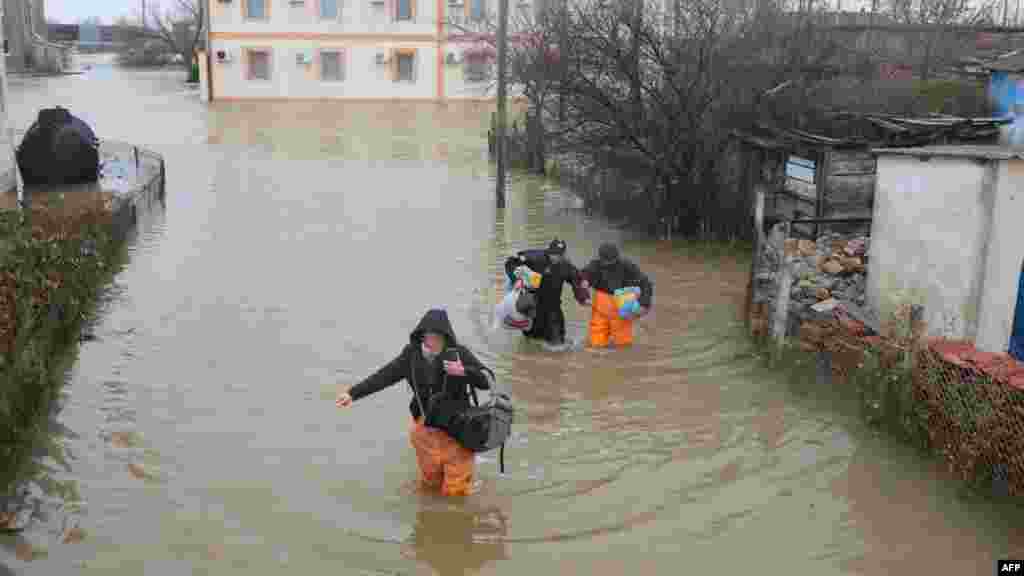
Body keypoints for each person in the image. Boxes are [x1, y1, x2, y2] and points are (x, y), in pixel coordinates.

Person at [335, 309, 492, 497]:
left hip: (458, 434)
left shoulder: (459, 353)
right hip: (425, 432)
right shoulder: (411, 355)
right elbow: (385, 376)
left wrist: (464, 371)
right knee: (429, 487)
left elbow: (485, 382)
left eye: (437, 337)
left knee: (455, 495)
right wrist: (353, 394)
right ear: (421, 335)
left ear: (446, 336)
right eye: (428, 336)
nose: (432, 341)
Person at [503, 238, 588, 346]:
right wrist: (517, 279)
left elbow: (577, 280)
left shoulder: (566, 265)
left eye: (560, 255)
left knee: (558, 344)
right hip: (532, 304)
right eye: (554, 254)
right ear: (549, 251)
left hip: (553, 307)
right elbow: (510, 262)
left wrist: (583, 298)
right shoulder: (534, 257)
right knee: (530, 341)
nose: (556, 257)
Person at [580, 243, 653, 348]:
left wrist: (644, 305)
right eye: (605, 261)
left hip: (623, 304)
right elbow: (582, 277)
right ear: (600, 258)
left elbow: (645, 283)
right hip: (601, 306)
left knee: (623, 344)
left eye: (611, 261)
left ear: (617, 258)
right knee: (596, 343)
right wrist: (584, 286)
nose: (608, 264)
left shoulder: (627, 266)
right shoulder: (594, 265)